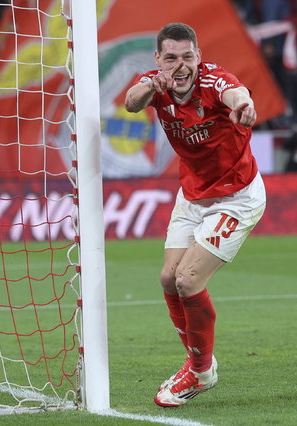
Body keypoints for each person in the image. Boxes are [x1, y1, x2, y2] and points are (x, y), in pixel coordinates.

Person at [124, 23, 266, 407]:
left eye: (188, 56)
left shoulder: (215, 82)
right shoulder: (156, 84)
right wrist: (152, 86)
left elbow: (235, 92)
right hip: (192, 195)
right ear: (158, 59)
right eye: (171, 58)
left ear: (198, 57)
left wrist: (243, 105)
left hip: (237, 197)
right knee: (169, 278)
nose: (180, 66)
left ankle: (200, 372)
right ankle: (199, 363)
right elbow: (131, 102)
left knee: (188, 280)